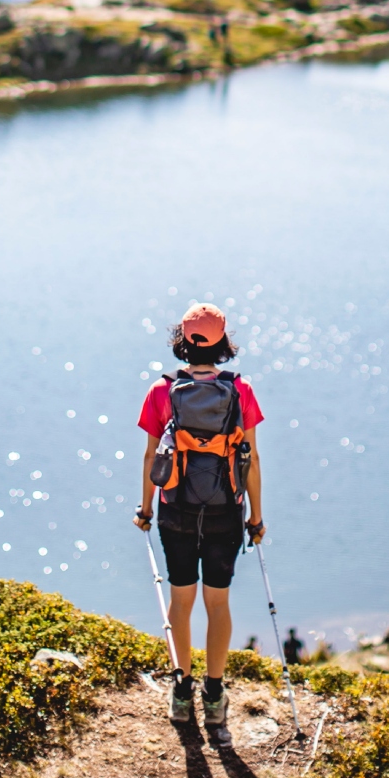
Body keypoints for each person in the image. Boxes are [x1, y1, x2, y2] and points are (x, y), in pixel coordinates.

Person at [135, 301, 263, 745]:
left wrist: (145, 508)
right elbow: (251, 458)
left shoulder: (161, 391)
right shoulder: (240, 390)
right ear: (224, 343)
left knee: (181, 598)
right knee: (218, 602)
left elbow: (153, 455)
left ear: (182, 341)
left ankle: (181, 690)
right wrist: (256, 517)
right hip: (226, 510)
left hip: (176, 510)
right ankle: (214, 695)